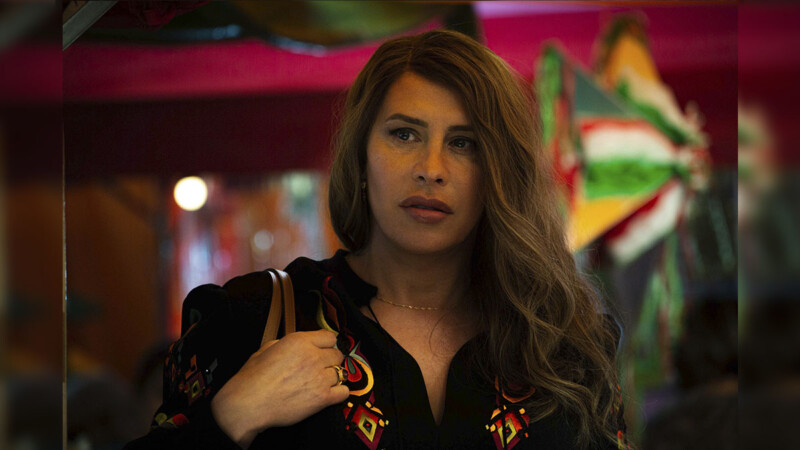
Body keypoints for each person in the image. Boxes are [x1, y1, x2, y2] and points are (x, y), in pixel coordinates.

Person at [125, 29, 628, 450]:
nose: (431, 168)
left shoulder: (563, 345)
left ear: (499, 174)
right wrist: (234, 415)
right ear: (361, 158)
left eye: (464, 143)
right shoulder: (251, 319)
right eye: (404, 134)